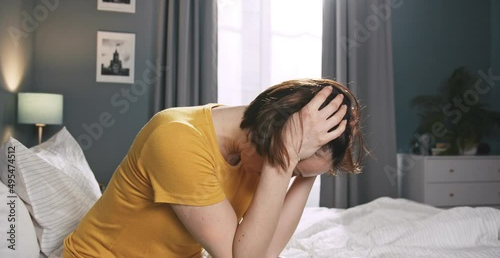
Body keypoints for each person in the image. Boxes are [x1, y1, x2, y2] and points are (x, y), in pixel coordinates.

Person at [63, 78, 364, 257]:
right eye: (292, 168)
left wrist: (310, 172)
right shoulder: (177, 138)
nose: (285, 175)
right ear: (277, 137)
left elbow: (265, 251)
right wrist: (286, 159)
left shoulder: (258, 153)